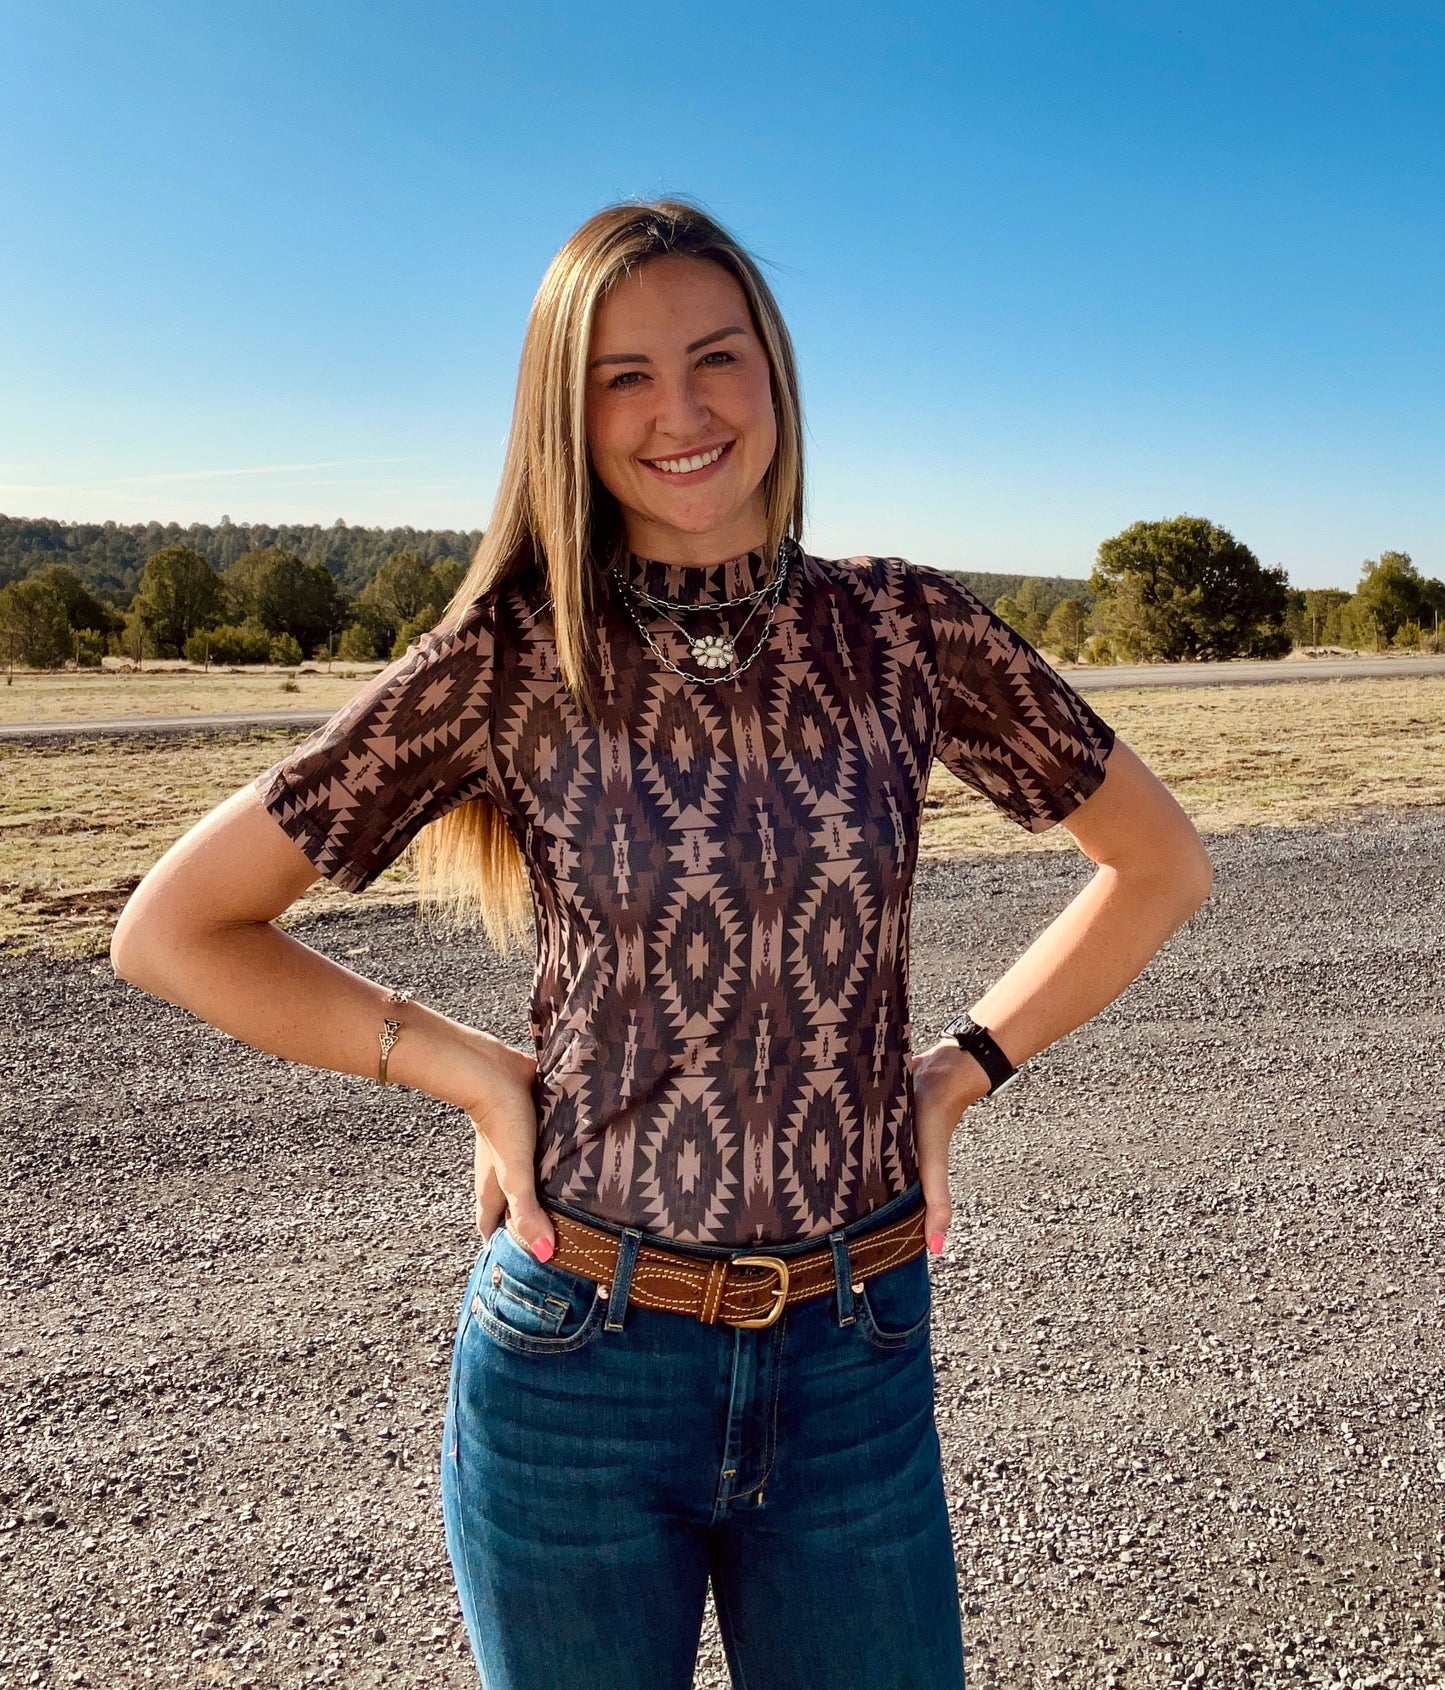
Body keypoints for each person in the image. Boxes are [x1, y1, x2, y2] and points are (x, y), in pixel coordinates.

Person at [110, 198, 1212, 1689]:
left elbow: (1158, 863)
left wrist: (955, 1070)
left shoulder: (902, 631)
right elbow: (174, 927)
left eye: (715, 356)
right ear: (565, 410)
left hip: (853, 1351)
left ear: (775, 374)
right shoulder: (511, 655)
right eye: (623, 375)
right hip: (579, 1358)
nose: (679, 410)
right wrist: (469, 1071)